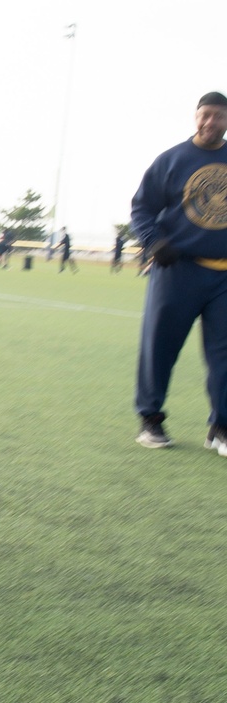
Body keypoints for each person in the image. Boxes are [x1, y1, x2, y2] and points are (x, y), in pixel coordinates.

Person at [132, 92, 227, 450]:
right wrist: (154, 242)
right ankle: (150, 420)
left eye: (218, 116)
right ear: (195, 116)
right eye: (205, 115)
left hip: (224, 278)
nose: (210, 122)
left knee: (225, 356)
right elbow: (141, 208)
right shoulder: (172, 160)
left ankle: (220, 427)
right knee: (160, 347)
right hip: (178, 271)